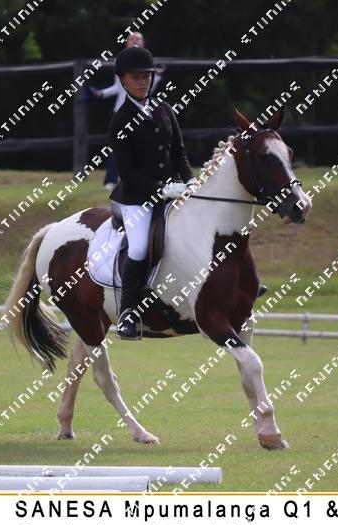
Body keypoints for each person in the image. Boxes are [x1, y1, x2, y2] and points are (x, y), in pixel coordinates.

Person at [108, 46, 193, 340]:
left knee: (205, 226)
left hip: (175, 190)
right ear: (122, 79)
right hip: (137, 199)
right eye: (136, 77)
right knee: (140, 248)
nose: (143, 82)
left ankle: (237, 283)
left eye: (146, 76)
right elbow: (128, 173)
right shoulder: (120, 121)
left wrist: (191, 182)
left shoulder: (164, 109)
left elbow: (179, 152)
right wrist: (161, 189)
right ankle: (127, 314)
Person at [90, 33, 165, 191]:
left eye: (138, 38)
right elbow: (117, 87)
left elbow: (149, 88)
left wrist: (157, 75)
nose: (135, 40)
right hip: (121, 110)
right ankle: (111, 180)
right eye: (132, 38)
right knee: (116, 147)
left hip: (142, 111)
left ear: (143, 42)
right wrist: (101, 93)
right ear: (126, 43)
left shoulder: (148, 61)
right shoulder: (120, 62)